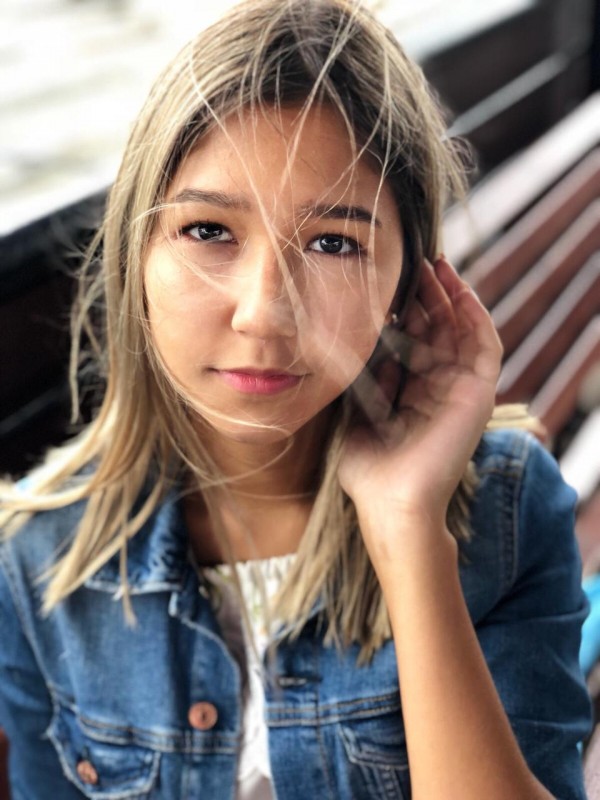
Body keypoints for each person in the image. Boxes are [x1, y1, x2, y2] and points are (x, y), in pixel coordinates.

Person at [0, 1, 592, 797]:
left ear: (407, 288)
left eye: (334, 243)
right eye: (209, 231)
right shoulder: (38, 559)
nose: (265, 312)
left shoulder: (505, 512)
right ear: (136, 257)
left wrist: (409, 528)